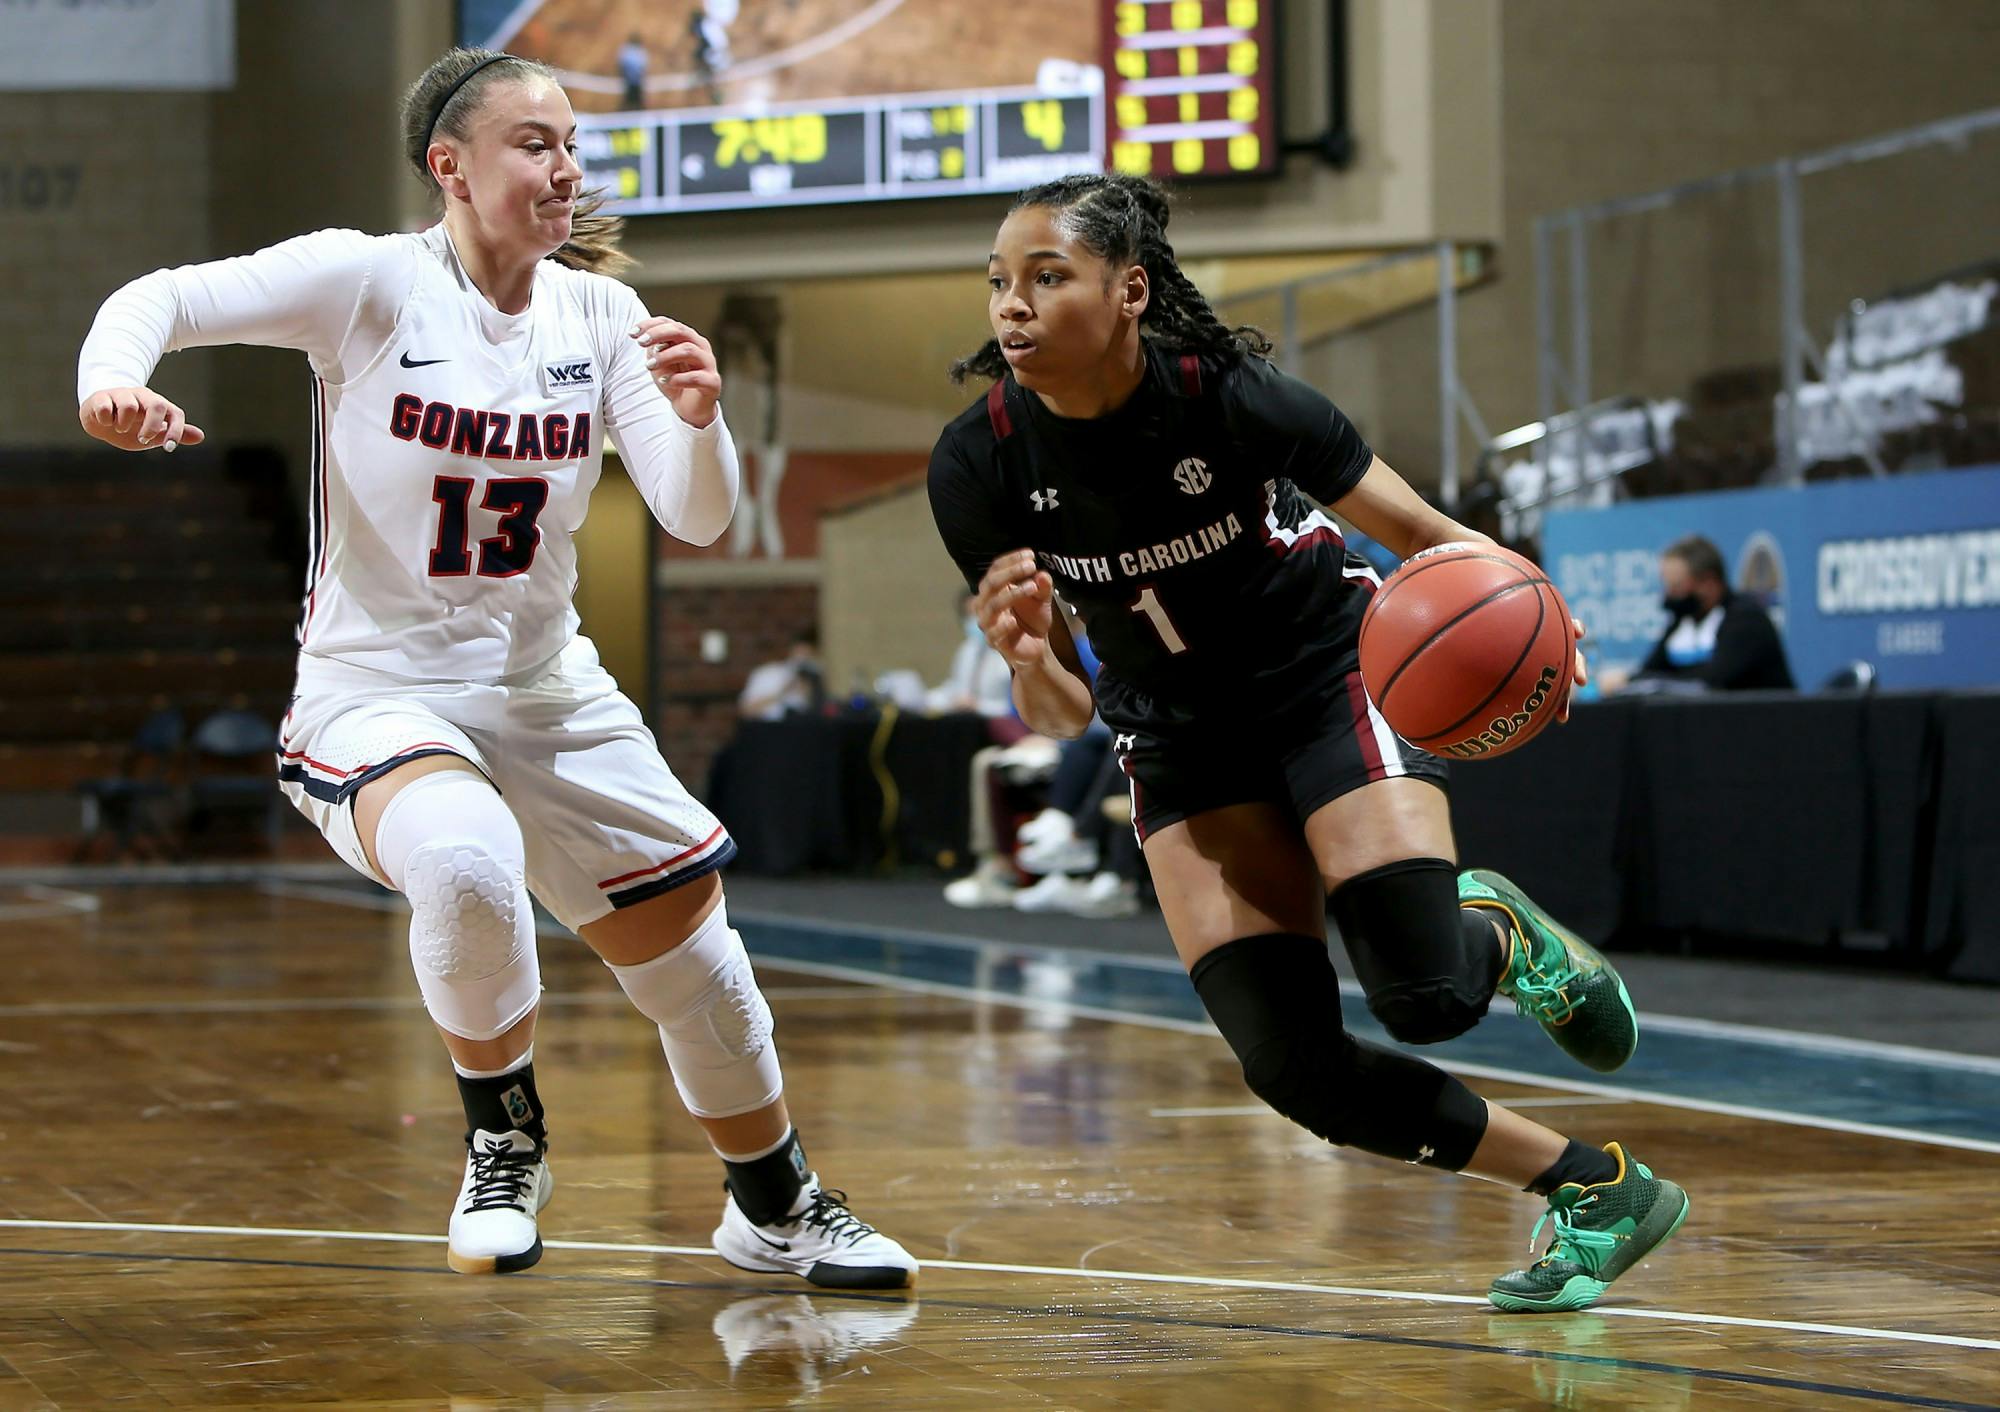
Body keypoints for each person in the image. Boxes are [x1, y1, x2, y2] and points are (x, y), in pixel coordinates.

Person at [76, 46, 914, 1290]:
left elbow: (695, 517)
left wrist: (701, 421)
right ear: (451, 167)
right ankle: (503, 1142)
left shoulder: (603, 317)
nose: (565, 167)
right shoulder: (367, 281)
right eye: (535, 143)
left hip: (548, 690)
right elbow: (162, 296)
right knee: (465, 860)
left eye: (571, 143)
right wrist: (112, 385)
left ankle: (774, 1203)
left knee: (697, 964)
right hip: (378, 692)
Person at [927, 172, 1688, 1313]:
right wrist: (1029, 656)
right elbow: (1060, 716)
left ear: (1130, 290)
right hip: (1174, 734)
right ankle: (1595, 1187)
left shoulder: (1235, 398)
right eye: (998, 282)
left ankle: (1500, 932)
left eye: (1047, 276)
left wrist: (1535, 604)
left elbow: (1426, 536)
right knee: (1292, 1068)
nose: (1012, 306)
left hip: (1322, 679)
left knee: (1427, 996)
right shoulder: (975, 461)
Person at [1599, 534, 1794, 695]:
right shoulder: (1682, 622)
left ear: (1708, 584)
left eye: (1677, 587)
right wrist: (1627, 680)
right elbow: (1652, 670)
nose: (1668, 596)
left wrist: (1640, 680)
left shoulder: (1747, 620)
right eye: (1667, 586)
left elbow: (1711, 681)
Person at [737, 627, 823, 720]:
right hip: (769, 725)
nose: (803, 658)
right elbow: (747, 710)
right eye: (800, 652)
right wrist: (783, 692)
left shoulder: (816, 674)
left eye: (808, 654)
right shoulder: (767, 673)